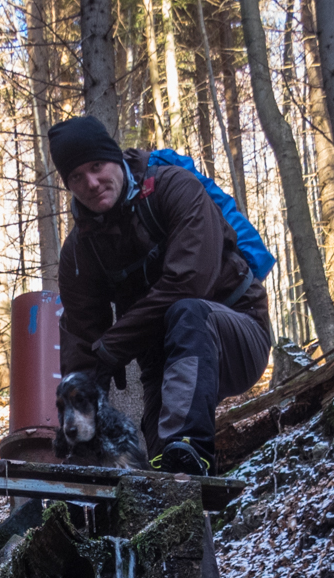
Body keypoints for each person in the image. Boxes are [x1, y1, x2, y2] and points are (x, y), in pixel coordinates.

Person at [49, 115, 272, 478]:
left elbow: (188, 283)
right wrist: (80, 430)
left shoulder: (174, 189)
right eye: (76, 177)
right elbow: (82, 342)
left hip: (235, 330)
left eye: (96, 166)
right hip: (163, 364)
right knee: (162, 475)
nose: (91, 182)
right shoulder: (79, 251)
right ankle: (179, 488)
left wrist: (114, 344)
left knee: (188, 313)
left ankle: (187, 447)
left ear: (114, 158)